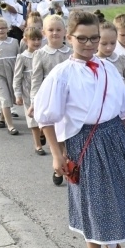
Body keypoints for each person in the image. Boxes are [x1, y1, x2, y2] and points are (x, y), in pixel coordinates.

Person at [34, 10, 125, 248]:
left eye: (94, 38)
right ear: (69, 38)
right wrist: (57, 154)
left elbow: (123, 108)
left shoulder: (107, 68)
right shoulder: (62, 74)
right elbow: (46, 118)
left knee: (122, 192)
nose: (89, 44)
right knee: (93, 200)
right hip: (85, 142)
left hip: (114, 137)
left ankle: (110, 238)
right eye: (82, 38)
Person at [30, 14, 72, 184]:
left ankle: (68, 164)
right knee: (55, 135)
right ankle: (59, 165)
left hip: (69, 99)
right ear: (44, 32)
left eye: (58, 29)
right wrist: (34, 102)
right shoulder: (40, 54)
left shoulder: (71, 52)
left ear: (65, 31)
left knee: (68, 135)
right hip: (50, 100)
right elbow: (36, 80)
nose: (55, 33)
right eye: (51, 30)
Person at [14, 27, 45, 154]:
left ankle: (43, 132)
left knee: (44, 115)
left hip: (42, 88)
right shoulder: (22, 57)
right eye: (33, 39)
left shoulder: (43, 54)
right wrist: (17, 94)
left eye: (39, 39)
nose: (36, 42)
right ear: (26, 40)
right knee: (32, 117)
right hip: (28, 90)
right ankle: (38, 145)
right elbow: (17, 77)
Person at [97, 21, 125, 89]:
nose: (109, 47)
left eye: (113, 43)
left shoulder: (121, 60)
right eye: (104, 44)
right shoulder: (92, 62)